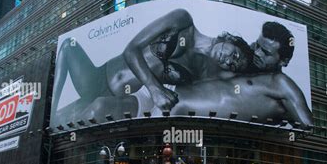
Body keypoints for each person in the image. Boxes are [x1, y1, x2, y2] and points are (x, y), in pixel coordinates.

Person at [51, 9, 254, 125]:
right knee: (69, 45)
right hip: (98, 78)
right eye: (234, 54)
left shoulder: (196, 75)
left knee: (81, 119)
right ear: (230, 38)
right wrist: (155, 88)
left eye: (233, 65)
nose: (229, 61)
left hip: (117, 98)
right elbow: (131, 50)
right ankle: (51, 110)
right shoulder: (183, 20)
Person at [170, 22, 313, 129]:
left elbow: (307, 128)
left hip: (182, 118)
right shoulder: (243, 59)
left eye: (266, 52)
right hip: (169, 96)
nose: (257, 53)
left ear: (284, 61)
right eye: (257, 45)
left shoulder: (281, 83)